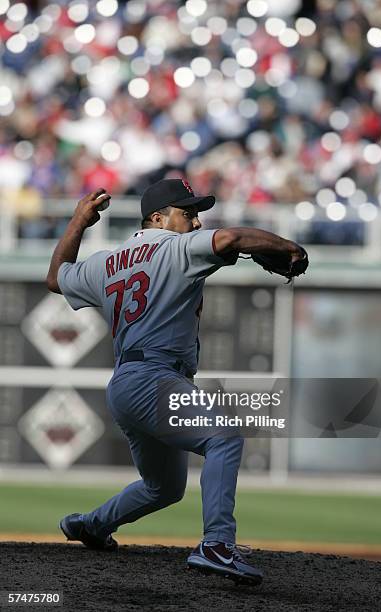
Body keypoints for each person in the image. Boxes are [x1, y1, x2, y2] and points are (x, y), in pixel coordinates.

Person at [47, 178, 305, 586]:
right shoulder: (177, 247)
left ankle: (92, 526)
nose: (197, 222)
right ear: (158, 218)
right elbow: (234, 236)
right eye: (188, 213)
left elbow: (57, 277)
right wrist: (290, 248)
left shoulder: (105, 262)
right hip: (155, 378)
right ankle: (217, 544)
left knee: (163, 487)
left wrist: (78, 221)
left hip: (126, 384)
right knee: (224, 436)